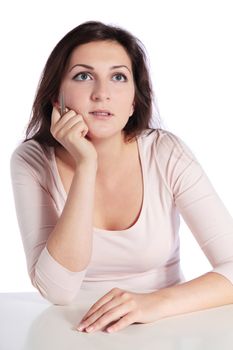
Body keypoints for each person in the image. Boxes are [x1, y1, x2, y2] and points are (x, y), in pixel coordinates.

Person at [10, 20, 233, 334]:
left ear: (133, 101)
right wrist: (86, 164)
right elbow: (57, 291)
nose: (102, 93)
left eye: (118, 77)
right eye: (83, 76)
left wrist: (151, 304)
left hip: (165, 326)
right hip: (70, 331)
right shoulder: (31, 160)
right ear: (55, 98)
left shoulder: (165, 152)